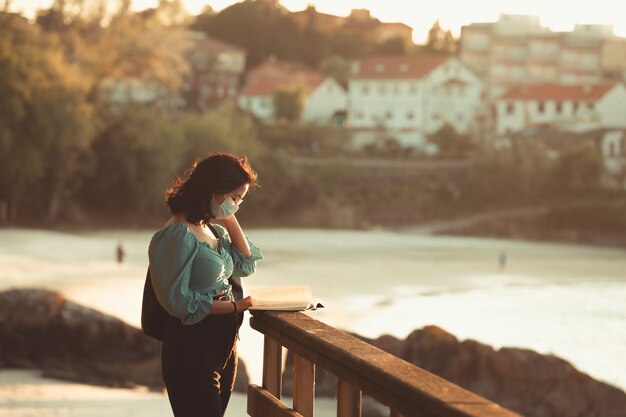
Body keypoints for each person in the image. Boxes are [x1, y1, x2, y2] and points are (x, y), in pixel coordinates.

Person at [148, 152, 263, 417]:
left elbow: (246, 265)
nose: (236, 205)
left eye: (240, 200)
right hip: (192, 345)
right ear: (213, 189)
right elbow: (179, 303)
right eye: (234, 198)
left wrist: (228, 217)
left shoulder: (213, 230)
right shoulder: (177, 233)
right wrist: (236, 306)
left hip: (224, 343)